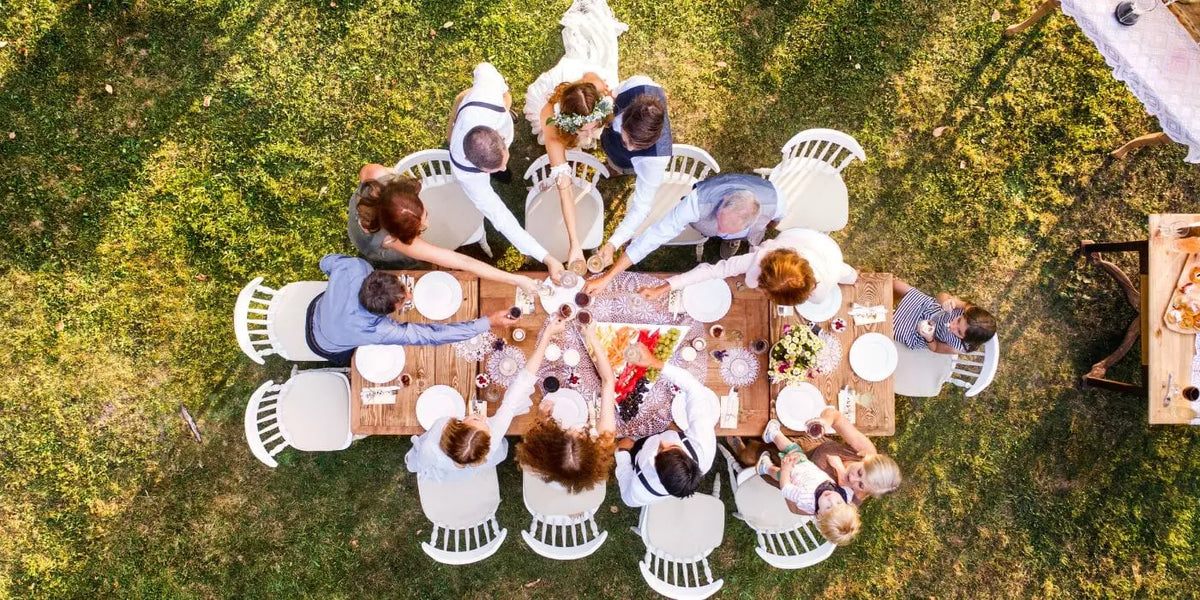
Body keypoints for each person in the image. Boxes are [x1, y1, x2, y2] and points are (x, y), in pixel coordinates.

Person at [523, 0, 628, 269]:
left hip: (585, 81)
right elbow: (565, 188)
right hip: (554, 100)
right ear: (566, 121)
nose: (592, 133)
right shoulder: (552, 122)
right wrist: (574, 244)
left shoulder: (598, 86)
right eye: (584, 129)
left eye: (593, 125)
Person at [404, 316, 567, 482]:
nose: (483, 416)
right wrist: (546, 335)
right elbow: (522, 384)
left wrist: (548, 334)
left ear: (456, 426)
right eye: (482, 422)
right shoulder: (492, 440)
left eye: (476, 418)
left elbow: (523, 383)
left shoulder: (437, 434)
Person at [446, 62, 567, 282]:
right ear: (476, 167)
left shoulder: (488, 94)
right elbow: (503, 220)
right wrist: (547, 257)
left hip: (489, 111)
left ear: (499, 138)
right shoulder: (469, 177)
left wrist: (504, 99)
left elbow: (483, 67)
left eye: (503, 161)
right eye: (495, 169)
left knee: (504, 171)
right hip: (465, 132)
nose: (503, 167)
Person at [585, 173, 786, 295]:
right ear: (724, 201)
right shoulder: (696, 203)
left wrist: (765, 226)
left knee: (738, 237)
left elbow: (778, 219)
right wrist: (608, 277)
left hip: (753, 228)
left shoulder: (775, 200)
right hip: (705, 211)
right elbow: (652, 237)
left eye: (727, 230)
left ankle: (735, 240)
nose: (719, 231)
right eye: (719, 223)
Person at [348, 168, 540, 295]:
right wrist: (514, 279)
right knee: (414, 265)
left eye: (425, 215)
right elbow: (460, 261)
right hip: (370, 242)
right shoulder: (392, 241)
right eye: (421, 227)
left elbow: (365, 171)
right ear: (397, 234)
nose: (428, 224)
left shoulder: (376, 174)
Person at [305, 254, 519, 366]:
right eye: (402, 300)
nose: (409, 295)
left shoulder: (355, 267)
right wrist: (488, 322)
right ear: (384, 314)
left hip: (317, 306)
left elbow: (326, 263)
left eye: (403, 288)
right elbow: (431, 336)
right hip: (324, 343)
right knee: (349, 355)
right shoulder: (378, 330)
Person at [638, 228, 857, 307]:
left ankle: (856, 277)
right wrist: (664, 288)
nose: (760, 291)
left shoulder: (820, 291)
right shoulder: (758, 259)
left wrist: (851, 277)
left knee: (846, 273)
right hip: (802, 238)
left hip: (828, 253)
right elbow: (713, 270)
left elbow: (839, 272)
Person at [516, 322, 616, 493]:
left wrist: (542, 417)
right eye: (580, 434)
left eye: (568, 433)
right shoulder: (604, 440)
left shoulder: (542, 452)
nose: (575, 428)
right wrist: (593, 338)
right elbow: (608, 382)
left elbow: (540, 427)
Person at [613, 345, 719, 507]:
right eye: (672, 446)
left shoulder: (641, 490)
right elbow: (694, 388)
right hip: (673, 428)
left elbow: (626, 497)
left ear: (654, 466)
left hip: (634, 449)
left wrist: (623, 455)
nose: (661, 442)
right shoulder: (703, 446)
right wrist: (655, 363)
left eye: (659, 449)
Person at [729, 407, 901, 504]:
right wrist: (825, 422)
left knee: (750, 454)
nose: (854, 479)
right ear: (866, 458)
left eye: (861, 485)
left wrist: (788, 477)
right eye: (860, 473)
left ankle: (740, 448)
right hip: (803, 439)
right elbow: (835, 416)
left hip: (786, 468)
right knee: (763, 415)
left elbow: (795, 506)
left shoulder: (843, 502)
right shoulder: (866, 451)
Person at [593, 75, 672, 268]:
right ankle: (613, 165)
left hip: (631, 163)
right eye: (627, 140)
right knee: (614, 156)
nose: (629, 148)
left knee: (623, 163)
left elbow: (642, 207)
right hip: (610, 136)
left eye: (637, 146)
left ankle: (618, 169)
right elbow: (613, 94)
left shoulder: (655, 159)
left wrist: (613, 243)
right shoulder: (638, 84)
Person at [753, 421, 861, 546]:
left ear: (819, 514)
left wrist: (786, 470)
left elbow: (786, 489)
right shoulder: (845, 495)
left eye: (828, 507)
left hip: (792, 473)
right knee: (793, 452)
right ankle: (766, 461)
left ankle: (768, 455)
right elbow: (844, 484)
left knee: (786, 460)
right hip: (806, 467)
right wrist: (838, 466)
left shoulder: (806, 498)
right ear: (847, 504)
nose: (831, 498)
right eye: (838, 502)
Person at [893, 278, 997, 355]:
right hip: (927, 307)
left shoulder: (959, 347)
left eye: (959, 332)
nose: (953, 326)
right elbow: (941, 296)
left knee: (890, 326)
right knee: (896, 284)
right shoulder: (967, 310)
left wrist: (929, 337)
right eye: (959, 320)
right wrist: (947, 301)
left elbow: (936, 348)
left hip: (918, 333)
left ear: (967, 340)